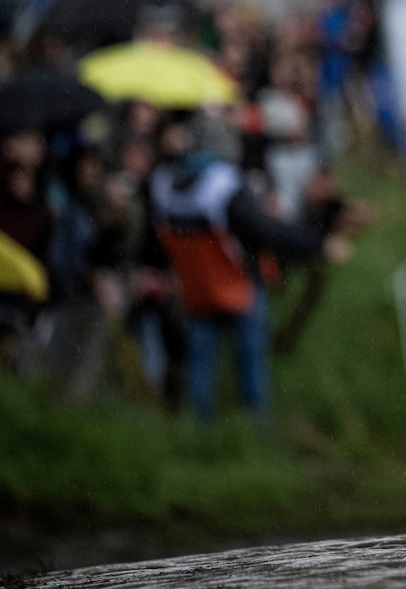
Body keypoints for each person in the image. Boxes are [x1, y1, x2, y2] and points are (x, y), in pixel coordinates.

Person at [149, 114, 350, 424]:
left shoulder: (162, 182)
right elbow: (265, 232)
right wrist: (318, 244)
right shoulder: (222, 185)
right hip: (236, 286)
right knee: (251, 367)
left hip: (195, 290)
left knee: (201, 366)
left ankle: (198, 436)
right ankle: (255, 435)